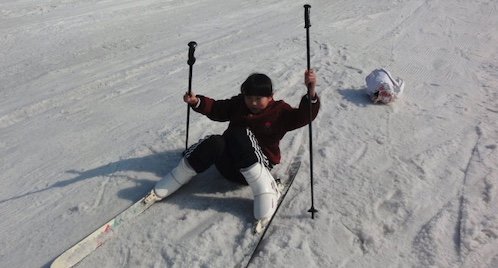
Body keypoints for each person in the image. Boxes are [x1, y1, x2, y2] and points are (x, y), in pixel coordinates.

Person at [144, 70, 320, 230]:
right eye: (249, 98)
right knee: (216, 142)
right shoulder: (239, 105)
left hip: (260, 165)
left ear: (270, 96)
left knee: (238, 132)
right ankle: (178, 176)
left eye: (259, 99)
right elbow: (217, 108)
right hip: (230, 168)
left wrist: (311, 92)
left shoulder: (279, 111)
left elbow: (303, 117)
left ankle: (267, 188)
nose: (253, 103)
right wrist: (197, 101)